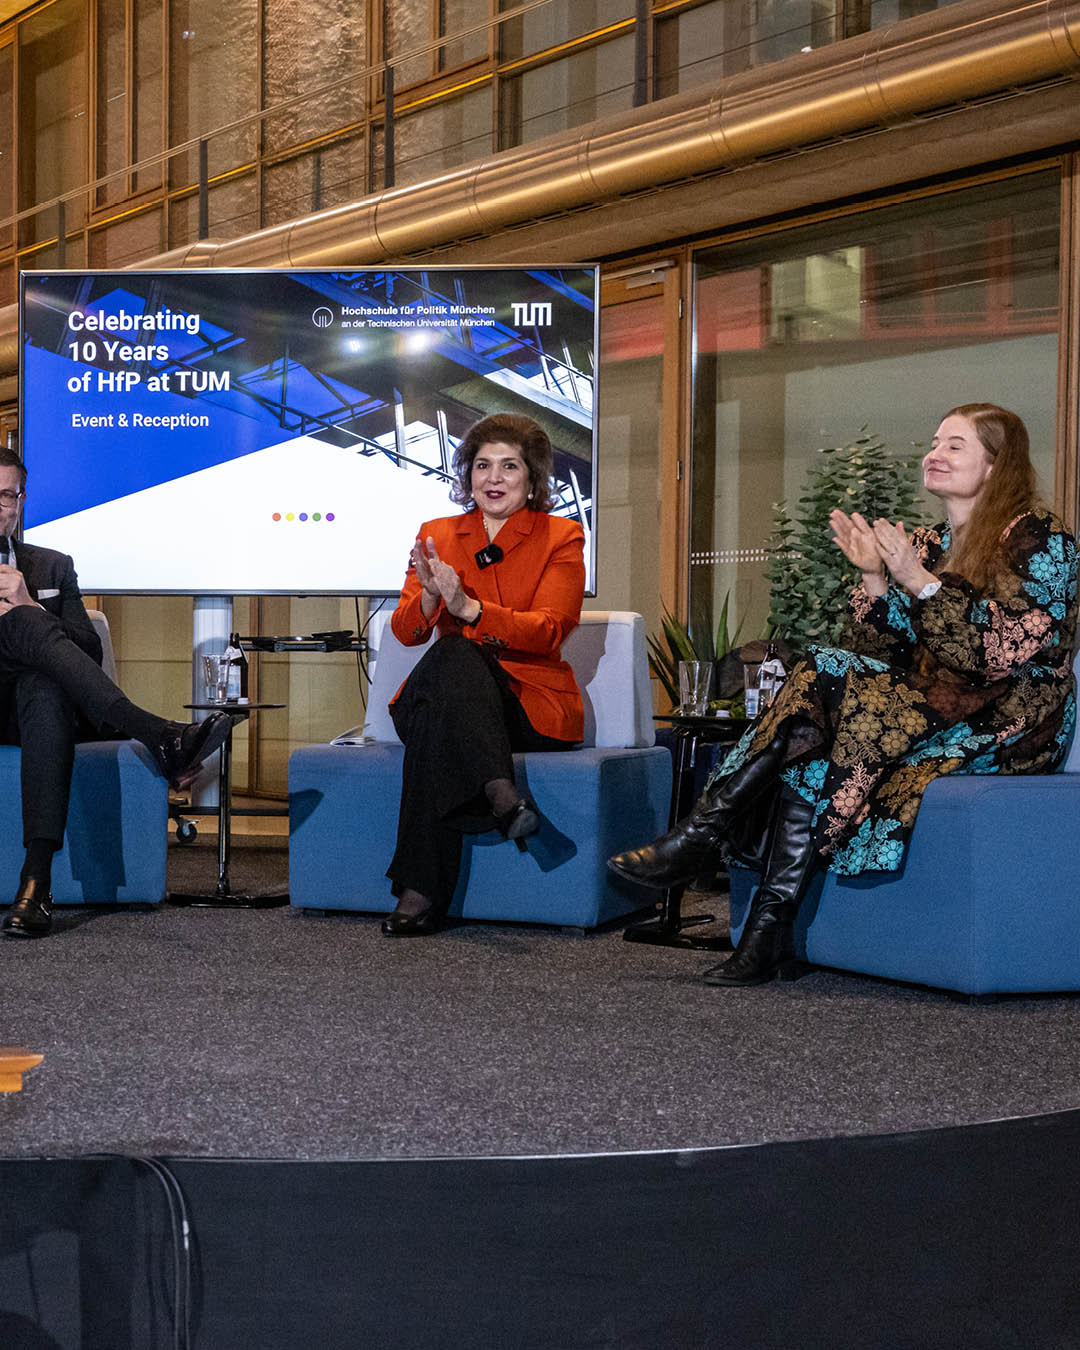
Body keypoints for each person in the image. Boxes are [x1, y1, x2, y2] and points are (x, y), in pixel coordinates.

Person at [610, 403, 1077, 986]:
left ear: (995, 464)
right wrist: (874, 577)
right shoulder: (926, 541)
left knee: (822, 695)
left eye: (955, 445)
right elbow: (880, 659)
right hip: (928, 704)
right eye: (935, 440)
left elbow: (1005, 651)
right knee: (816, 726)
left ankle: (705, 836)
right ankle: (763, 934)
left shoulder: (1039, 537)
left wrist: (918, 582)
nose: (935, 452)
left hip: (1011, 717)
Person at [0, 447, 232, 938]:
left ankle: (35, 881)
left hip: (42, 705)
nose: (2, 508)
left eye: (9, 496)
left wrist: (28, 608)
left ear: (23, 500)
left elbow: (87, 648)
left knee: (43, 688)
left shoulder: (52, 566)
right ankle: (159, 733)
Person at [383, 412, 586, 936]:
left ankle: (419, 889)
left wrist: (468, 609)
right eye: (482, 466)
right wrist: (431, 594)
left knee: (442, 698)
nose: (493, 478)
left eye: (509, 467)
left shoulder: (560, 537)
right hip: (455, 695)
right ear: (467, 475)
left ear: (532, 478)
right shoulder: (438, 535)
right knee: (451, 660)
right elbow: (407, 633)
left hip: (527, 704)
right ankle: (501, 793)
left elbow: (549, 631)